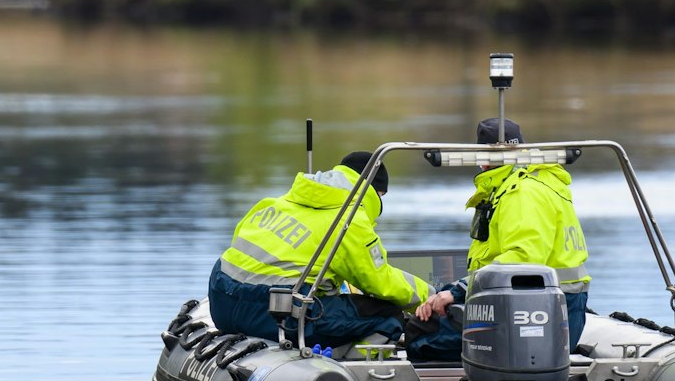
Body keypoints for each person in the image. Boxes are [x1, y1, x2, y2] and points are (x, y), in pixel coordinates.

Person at [209, 151, 432, 351]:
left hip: (222, 303)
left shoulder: (275, 203)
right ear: (376, 192)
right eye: (382, 196)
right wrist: (430, 296)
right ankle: (350, 373)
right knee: (387, 317)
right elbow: (379, 280)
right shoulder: (349, 220)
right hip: (274, 315)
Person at [411, 118, 590, 357]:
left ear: (483, 159)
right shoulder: (539, 183)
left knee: (419, 335)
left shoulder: (521, 193)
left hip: (535, 318)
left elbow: (523, 260)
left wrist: (455, 293)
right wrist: (452, 293)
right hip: (549, 311)